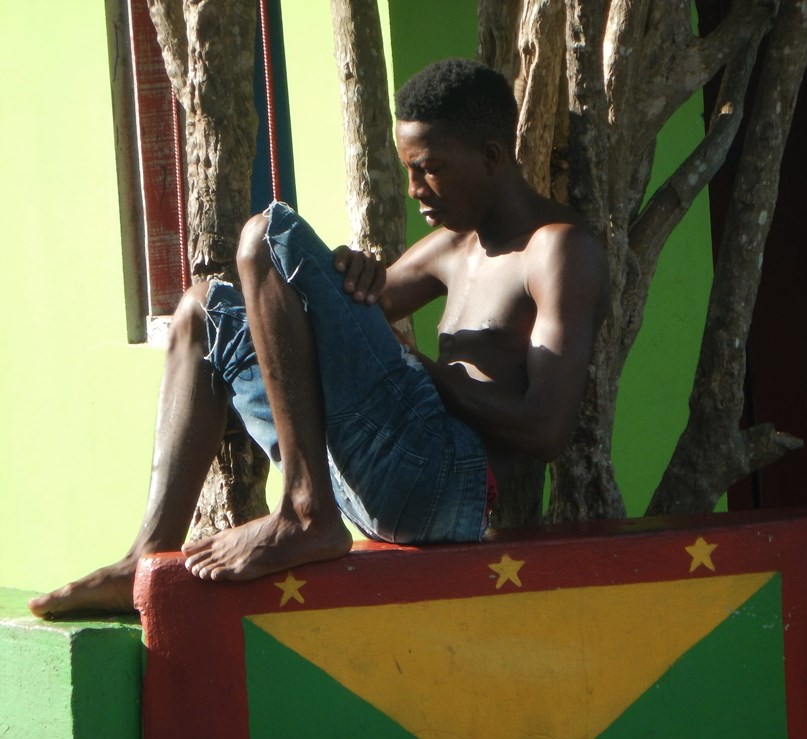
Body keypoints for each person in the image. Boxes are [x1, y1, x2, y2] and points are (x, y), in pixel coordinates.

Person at [29, 59, 609, 618]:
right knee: (200, 311)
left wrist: (421, 368)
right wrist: (346, 276)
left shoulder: (558, 250)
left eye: (429, 168)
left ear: (490, 156)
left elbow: (545, 430)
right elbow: (342, 317)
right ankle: (148, 558)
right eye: (406, 170)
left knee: (266, 235)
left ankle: (304, 511)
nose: (414, 190)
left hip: (444, 481)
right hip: (366, 482)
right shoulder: (452, 248)